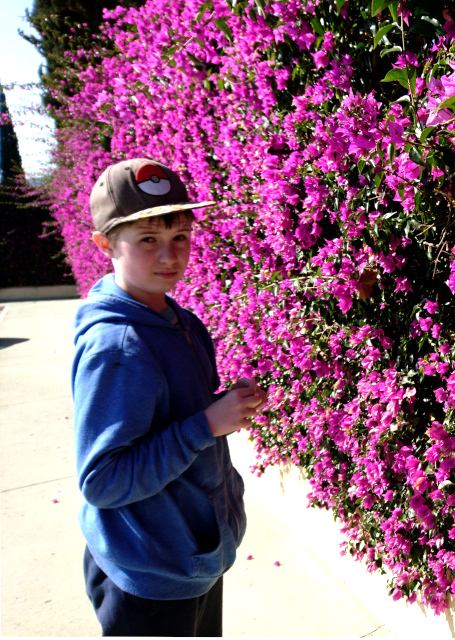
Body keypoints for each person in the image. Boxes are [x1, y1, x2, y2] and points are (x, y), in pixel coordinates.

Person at [72, 158, 265, 636]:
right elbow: (103, 480)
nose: (169, 256)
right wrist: (206, 425)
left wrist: (220, 407)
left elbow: (169, 417)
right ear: (104, 244)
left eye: (179, 236)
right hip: (148, 581)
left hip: (188, 558)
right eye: (147, 241)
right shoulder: (117, 346)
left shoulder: (179, 319)